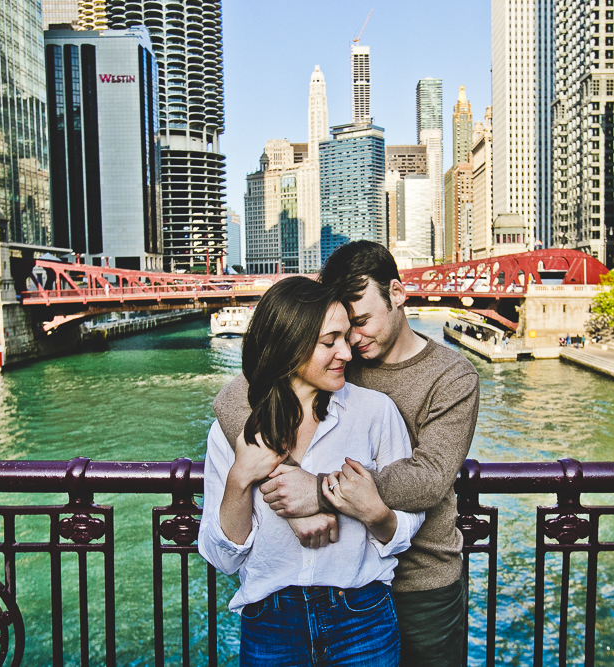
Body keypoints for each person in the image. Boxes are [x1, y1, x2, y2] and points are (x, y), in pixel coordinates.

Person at [214, 241, 480, 667]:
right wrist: (286, 484)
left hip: (421, 579)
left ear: (397, 293)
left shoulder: (452, 375)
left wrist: (317, 492)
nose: (353, 340)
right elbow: (232, 400)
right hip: (343, 584)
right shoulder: (339, 360)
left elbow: (430, 477)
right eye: (342, 329)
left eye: (361, 322)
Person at [198, 277, 423, 666]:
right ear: (289, 345)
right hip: (270, 622)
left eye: (346, 338)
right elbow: (223, 558)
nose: (346, 354)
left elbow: (406, 526)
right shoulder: (232, 431)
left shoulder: (375, 413)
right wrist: (239, 478)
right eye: (329, 342)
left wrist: (373, 512)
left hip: (361, 618)